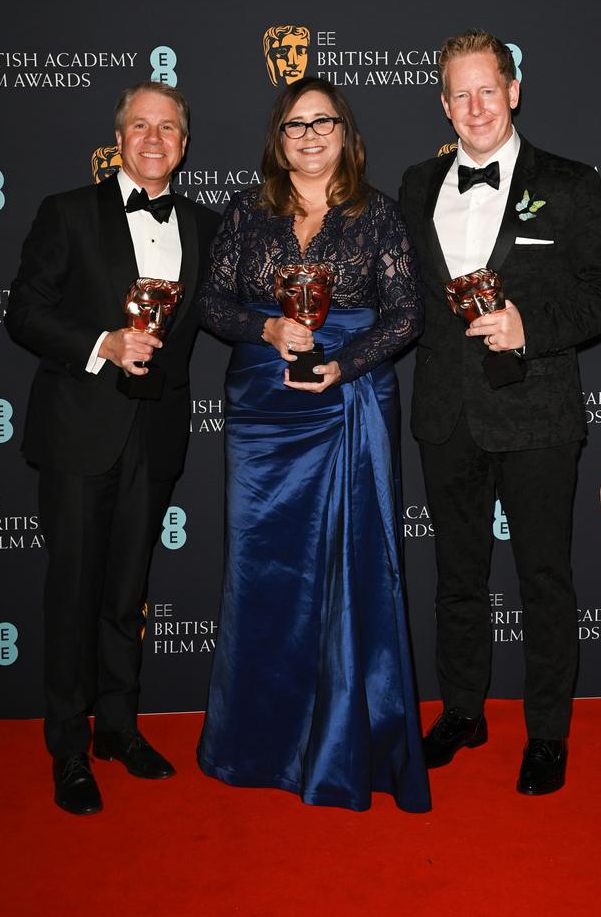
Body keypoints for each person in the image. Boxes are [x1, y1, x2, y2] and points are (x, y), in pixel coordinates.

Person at [399, 29, 601, 795]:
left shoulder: (567, 182)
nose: (474, 107)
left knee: (543, 578)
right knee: (457, 578)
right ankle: (464, 710)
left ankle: (548, 733)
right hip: (446, 415)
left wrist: (532, 326)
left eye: (487, 90)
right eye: (459, 94)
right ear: (443, 103)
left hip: (535, 414)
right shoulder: (413, 185)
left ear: (514, 91)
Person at [196, 76, 430, 813]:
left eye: (322, 121)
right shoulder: (247, 210)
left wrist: (345, 363)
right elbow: (209, 300)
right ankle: (256, 742)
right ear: (278, 136)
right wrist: (263, 328)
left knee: (354, 571)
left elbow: (406, 316)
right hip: (264, 413)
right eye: (295, 124)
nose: (309, 135)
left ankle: (344, 740)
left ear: (345, 132)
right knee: (262, 572)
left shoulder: (378, 215)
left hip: (346, 404)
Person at [5, 81, 220, 815]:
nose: (154, 139)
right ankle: (68, 746)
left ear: (184, 146)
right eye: (140, 126)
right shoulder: (67, 212)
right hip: (76, 432)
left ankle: (120, 728)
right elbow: (24, 312)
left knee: (128, 593)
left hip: (154, 436)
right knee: (72, 594)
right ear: (119, 138)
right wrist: (101, 342)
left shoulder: (204, 224)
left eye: (168, 128)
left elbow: (230, 312)